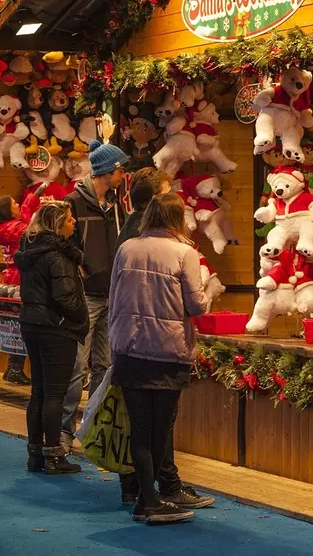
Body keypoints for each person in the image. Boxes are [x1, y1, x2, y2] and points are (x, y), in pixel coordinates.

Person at [109, 193, 213, 524]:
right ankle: (149, 500)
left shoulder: (127, 248)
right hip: (167, 351)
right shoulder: (186, 253)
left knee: (140, 430)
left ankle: (146, 499)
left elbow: (113, 297)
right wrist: (210, 290)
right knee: (159, 431)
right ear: (177, 219)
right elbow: (196, 306)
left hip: (129, 347)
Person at [60, 139, 130, 446]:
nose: (123, 175)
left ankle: (91, 429)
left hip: (112, 293)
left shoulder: (117, 205)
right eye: (120, 169)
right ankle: (63, 428)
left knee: (104, 364)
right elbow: (65, 242)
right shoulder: (73, 203)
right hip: (86, 294)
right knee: (77, 364)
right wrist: (81, 268)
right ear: (107, 171)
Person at [14, 201, 88, 475]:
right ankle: (54, 456)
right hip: (56, 328)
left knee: (39, 392)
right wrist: (81, 316)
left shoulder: (31, 249)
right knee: (55, 393)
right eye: (69, 220)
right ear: (58, 225)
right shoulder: (59, 255)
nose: (74, 224)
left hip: (32, 324)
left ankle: (35, 453)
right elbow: (65, 296)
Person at [0, 189, 46, 385]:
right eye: (14, 204)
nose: (17, 206)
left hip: (12, 276)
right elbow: (32, 229)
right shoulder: (15, 229)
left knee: (17, 324)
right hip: (20, 277)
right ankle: (15, 367)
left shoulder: (4, 227)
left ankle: (13, 367)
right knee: (24, 324)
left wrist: (32, 198)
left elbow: (23, 217)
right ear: (8, 212)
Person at [115, 167, 172, 251]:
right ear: (154, 200)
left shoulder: (135, 224)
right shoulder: (145, 234)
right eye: (167, 196)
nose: (173, 199)